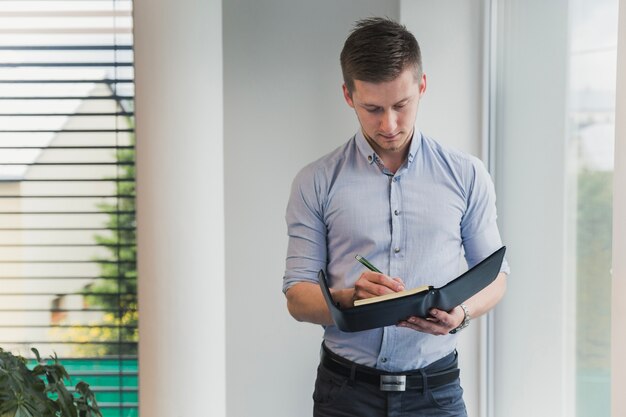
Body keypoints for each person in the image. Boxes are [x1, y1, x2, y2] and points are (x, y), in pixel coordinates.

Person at [282, 17, 510, 417]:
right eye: (372, 108)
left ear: (421, 87)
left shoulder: (466, 174)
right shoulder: (315, 181)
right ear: (348, 96)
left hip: (435, 392)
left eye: (401, 105)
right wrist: (349, 297)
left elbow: (496, 275)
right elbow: (298, 297)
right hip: (345, 394)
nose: (389, 125)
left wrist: (461, 314)